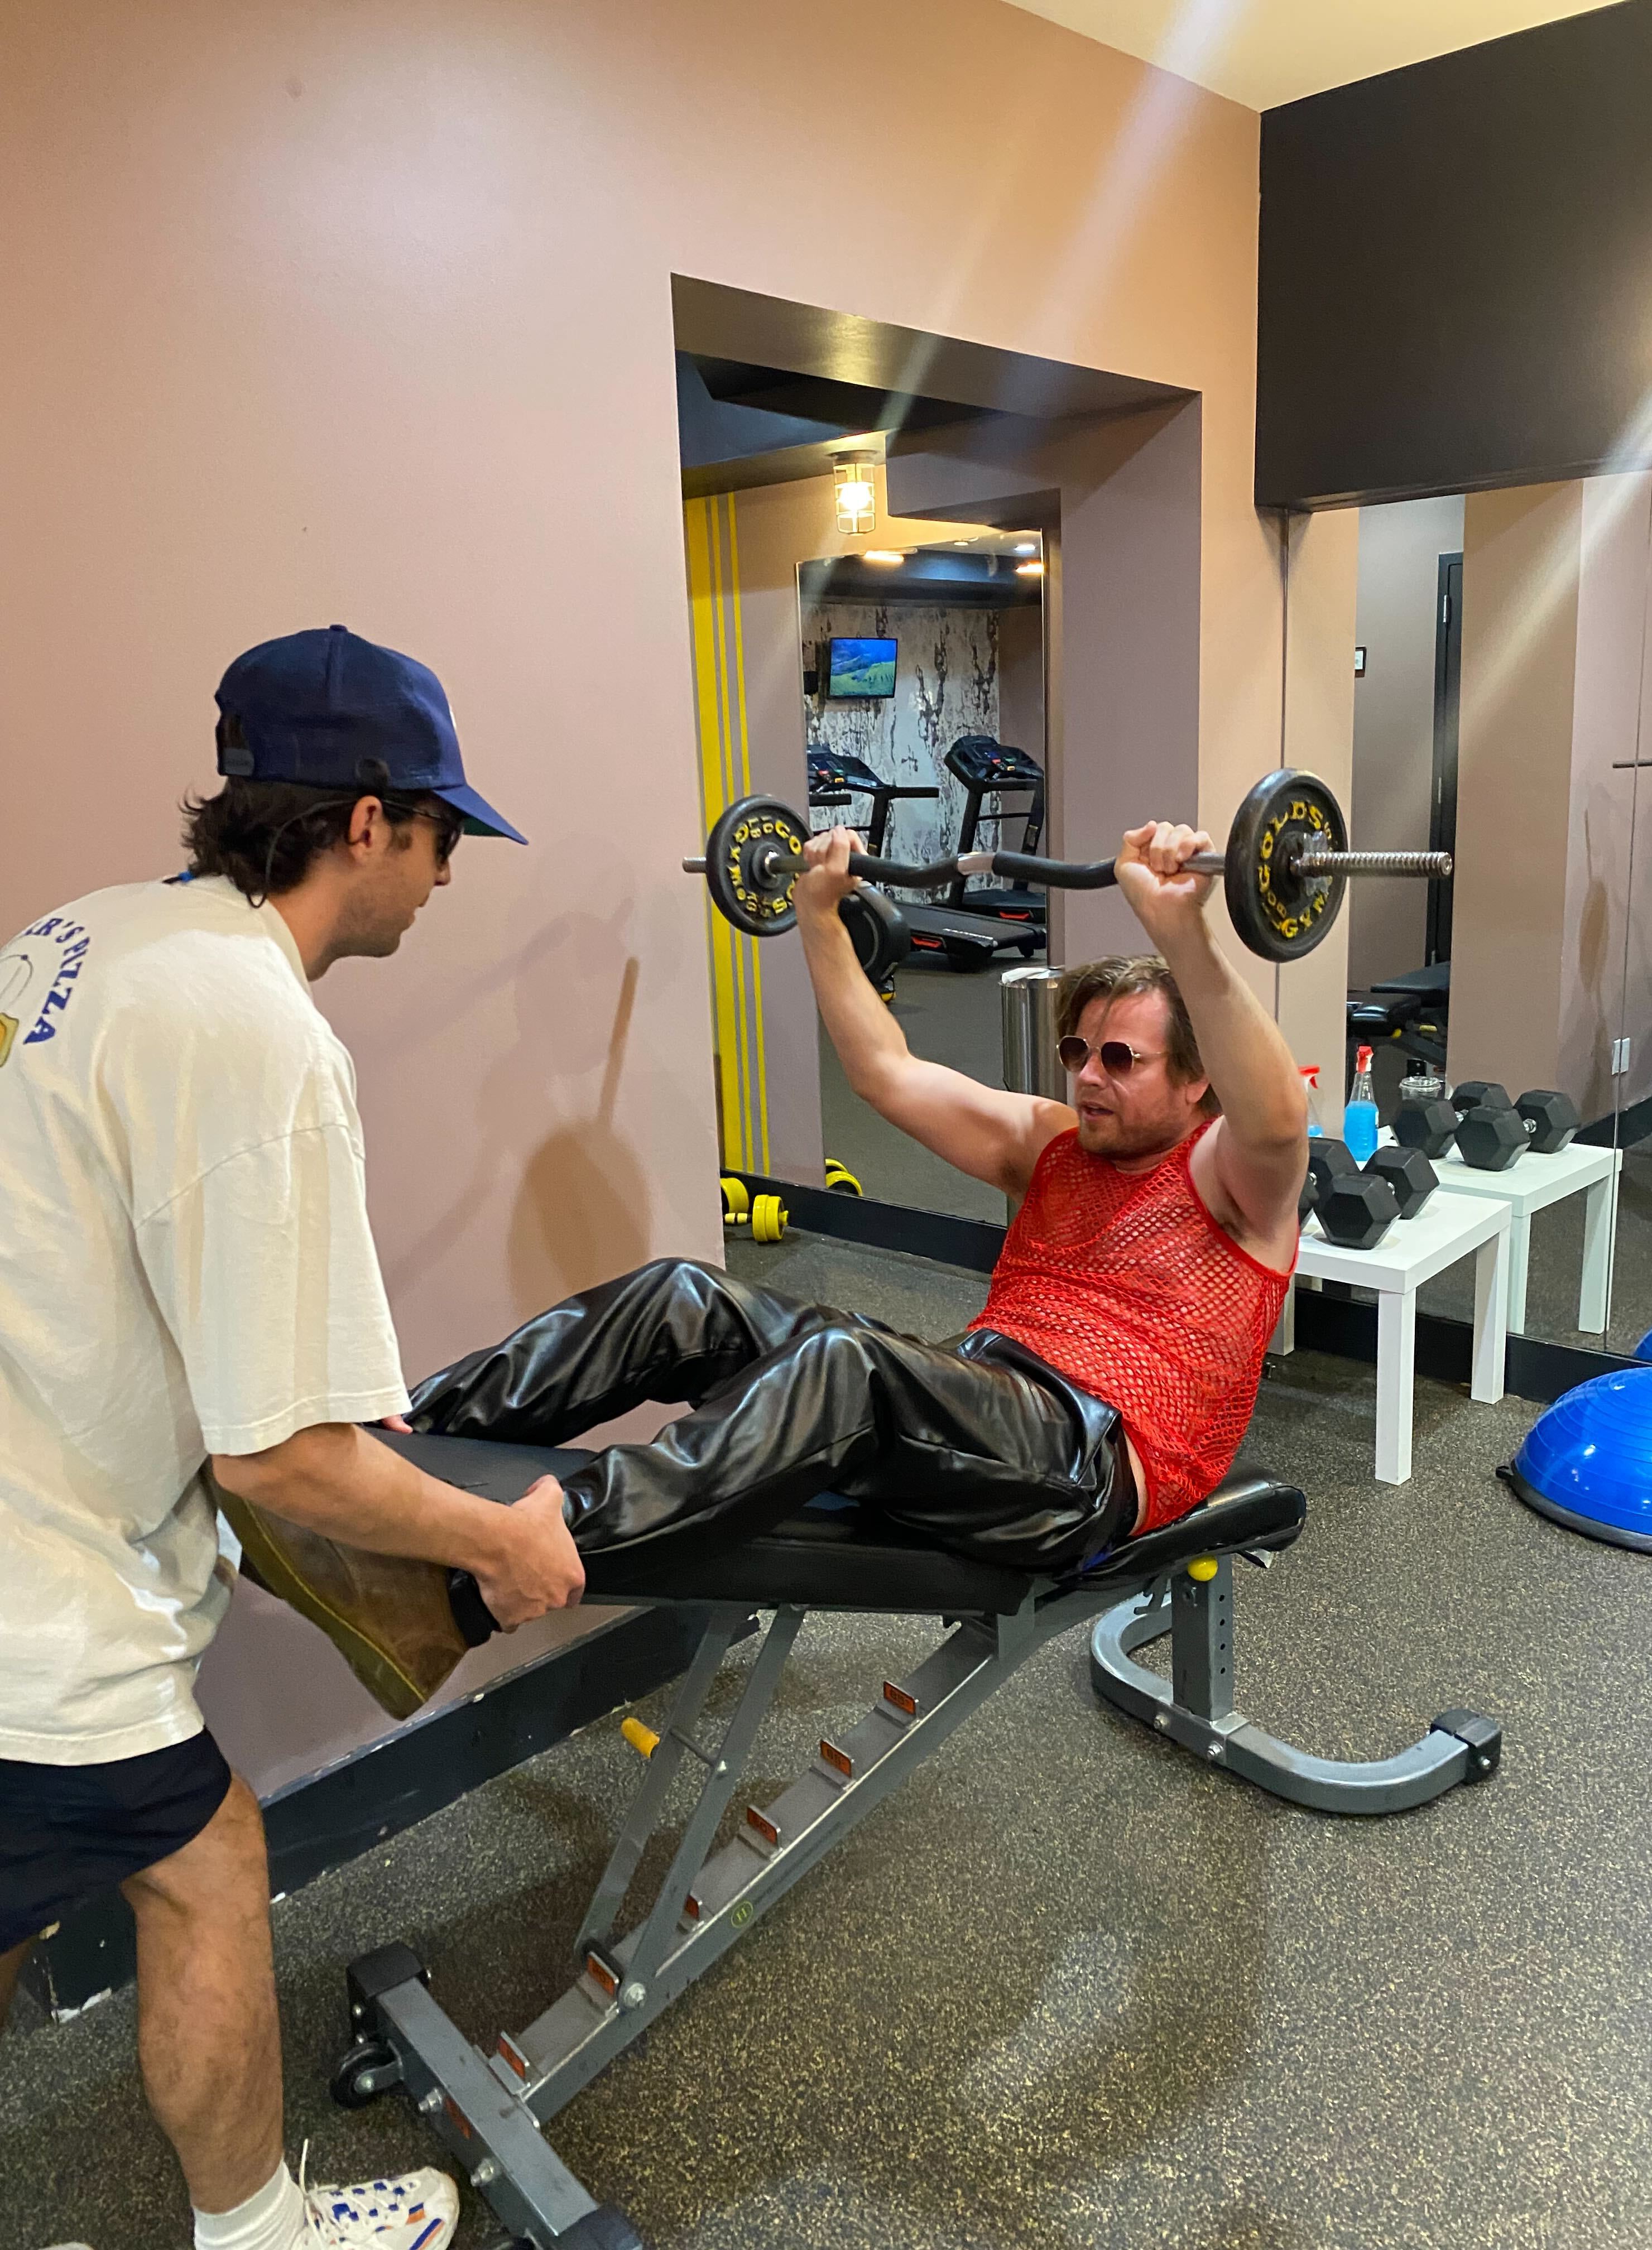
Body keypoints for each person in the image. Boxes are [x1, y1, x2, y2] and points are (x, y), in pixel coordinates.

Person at [0, 626, 585, 2250]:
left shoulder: (88, 936)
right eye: (447, 834)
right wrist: (501, 1541)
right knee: (203, 1857)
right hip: (35, 1593)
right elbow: (278, 1460)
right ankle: (262, 2236)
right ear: (369, 820)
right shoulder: (261, 1035)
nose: (450, 877)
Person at [396, 811, 1307, 1579]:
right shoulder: (1055, 1145)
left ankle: (517, 1546)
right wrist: (819, 915)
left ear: (1196, 1082)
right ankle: (397, 1440)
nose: (1087, 1078)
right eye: (1077, 1053)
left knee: (843, 1364)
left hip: (1087, 1461)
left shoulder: (1231, 1178)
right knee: (684, 1298)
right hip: (982, 1400)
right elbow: (885, 1072)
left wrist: (1185, 935)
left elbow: (1275, 1118)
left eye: (1120, 1060)